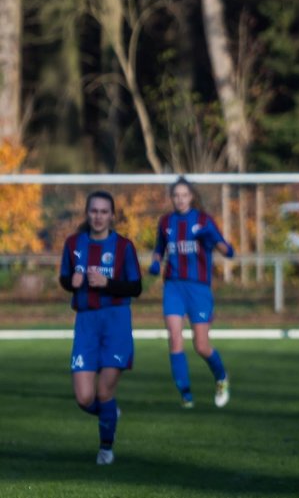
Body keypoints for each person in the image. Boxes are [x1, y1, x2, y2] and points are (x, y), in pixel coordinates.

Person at [58, 191, 143, 465]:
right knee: (84, 398)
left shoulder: (123, 247)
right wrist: (72, 281)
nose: (98, 216)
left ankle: (106, 448)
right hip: (86, 323)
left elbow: (136, 287)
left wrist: (108, 284)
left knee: (105, 391)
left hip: (116, 321)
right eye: (94, 211)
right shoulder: (73, 244)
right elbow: (64, 278)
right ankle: (109, 414)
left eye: (104, 211)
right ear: (87, 213)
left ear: (112, 215)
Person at [150, 177, 235, 408]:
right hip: (173, 286)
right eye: (175, 195)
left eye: (184, 195)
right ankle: (186, 395)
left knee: (201, 345)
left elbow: (228, 251)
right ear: (172, 198)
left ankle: (221, 377)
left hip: (198, 288)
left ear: (191, 197)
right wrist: (156, 262)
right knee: (175, 339)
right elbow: (159, 248)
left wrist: (213, 241)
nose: (180, 199)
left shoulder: (204, 220)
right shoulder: (166, 221)